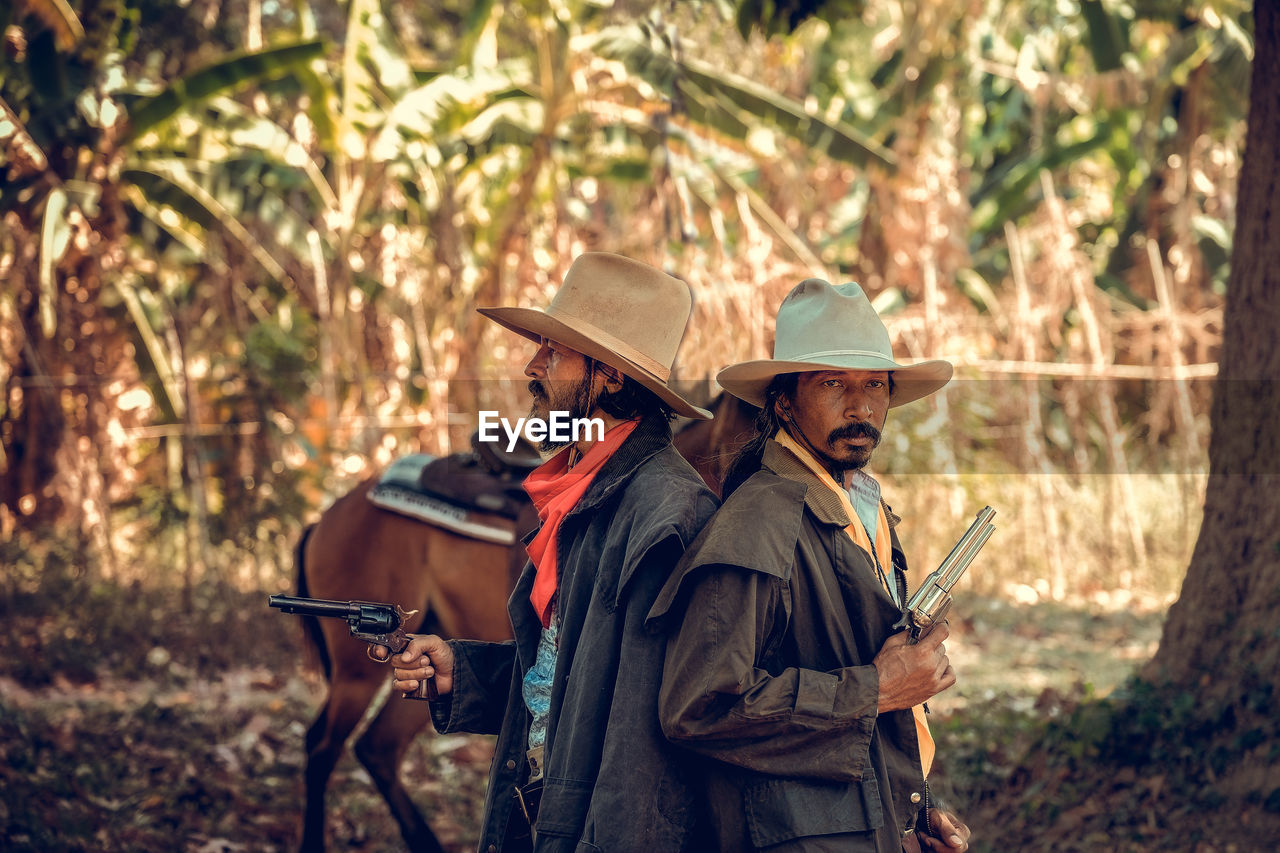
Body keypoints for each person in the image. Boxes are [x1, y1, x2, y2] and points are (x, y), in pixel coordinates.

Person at [389, 252, 719, 853]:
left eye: (553, 351)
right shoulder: (584, 490)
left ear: (612, 376)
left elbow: (639, 744)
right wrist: (459, 673)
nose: (531, 366)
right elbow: (572, 681)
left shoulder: (665, 514)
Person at [650, 279, 973, 853]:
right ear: (783, 401)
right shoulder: (759, 520)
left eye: (874, 384)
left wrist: (910, 816)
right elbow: (699, 706)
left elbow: (849, 680)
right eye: (832, 384)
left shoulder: (864, 508)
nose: (860, 405)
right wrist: (876, 689)